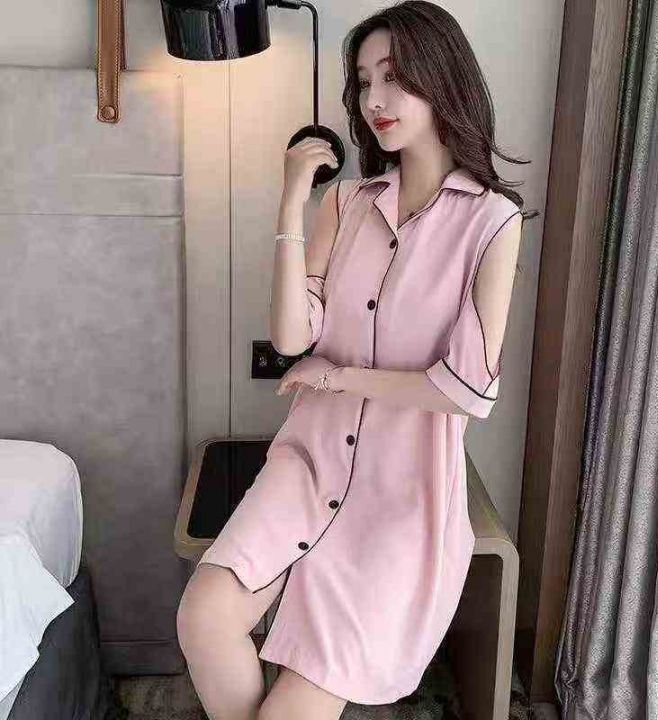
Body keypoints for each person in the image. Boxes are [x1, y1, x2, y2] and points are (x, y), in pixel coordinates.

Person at [176, 2, 535, 719]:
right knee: (203, 619)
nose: (375, 99)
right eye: (365, 81)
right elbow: (290, 338)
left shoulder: (491, 221)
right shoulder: (345, 204)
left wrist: (338, 377)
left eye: (394, 76)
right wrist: (291, 203)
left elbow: (465, 390)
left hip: (401, 498)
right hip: (306, 467)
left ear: (443, 79)